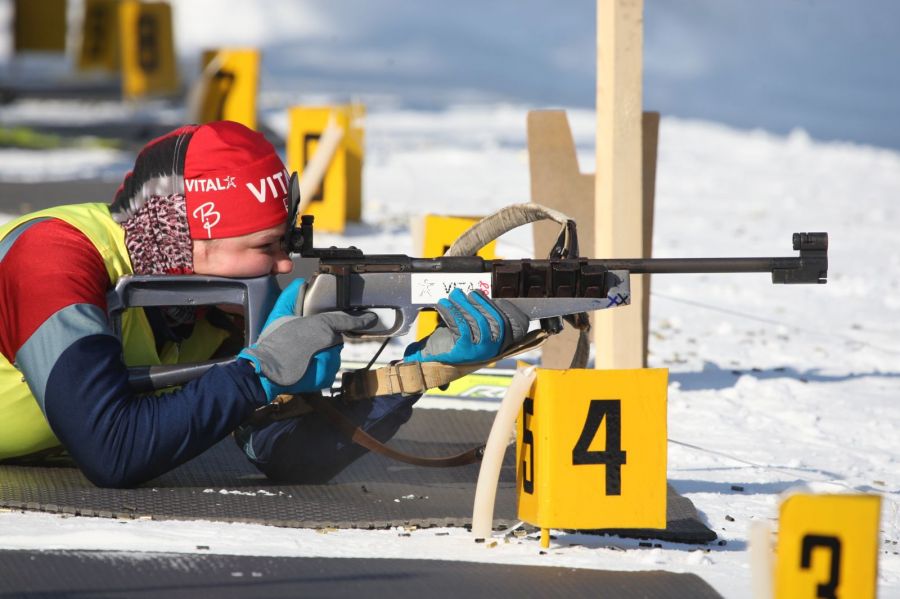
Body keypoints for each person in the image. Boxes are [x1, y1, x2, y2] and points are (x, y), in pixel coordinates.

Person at [0, 120, 527, 488]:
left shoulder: (215, 299)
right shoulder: (51, 257)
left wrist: (419, 371)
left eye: (285, 245)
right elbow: (111, 451)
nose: (282, 267)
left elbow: (283, 452)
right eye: (264, 247)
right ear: (188, 241)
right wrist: (258, 373)